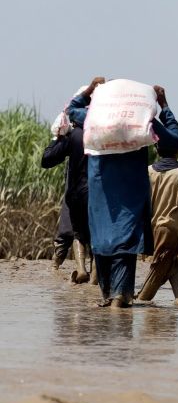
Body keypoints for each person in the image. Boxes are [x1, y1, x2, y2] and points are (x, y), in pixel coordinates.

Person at [66, 77, 178, 308]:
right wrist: (164, 105)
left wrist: (89, 90)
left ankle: (108, 295)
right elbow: (175, 139)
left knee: (102, 240)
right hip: (131, 194)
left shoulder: (94, 118)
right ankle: (121, 295)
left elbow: (71, 110)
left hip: (101, 194)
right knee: (125, 242)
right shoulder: (142, 120)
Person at [135, 144, 178, 303]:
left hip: (150, 228)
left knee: (170, 263)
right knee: (159, 267)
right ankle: (143, 298)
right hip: (169, 229)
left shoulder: (147, 171)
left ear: (157, 150)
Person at [41, 118, 93, 284]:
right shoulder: (101, 135)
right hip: (98, 193)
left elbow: (47, 158)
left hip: (76, 192)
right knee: (95, 236)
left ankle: (74, 269)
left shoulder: (74, 137)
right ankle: (94, 280)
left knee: (70, 231)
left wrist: (57, 137)